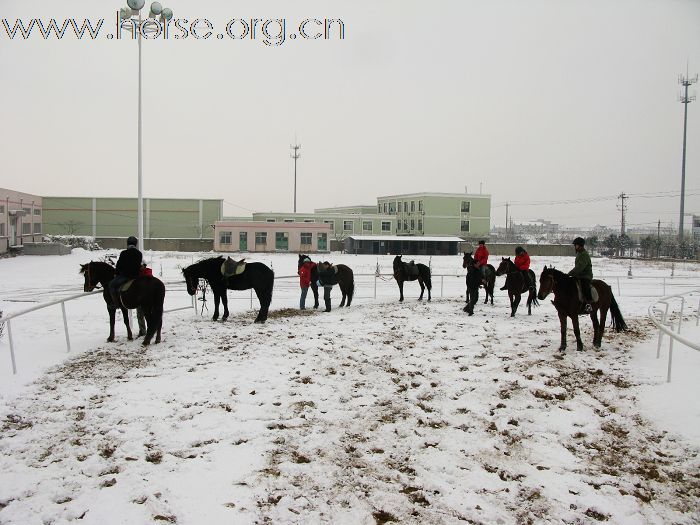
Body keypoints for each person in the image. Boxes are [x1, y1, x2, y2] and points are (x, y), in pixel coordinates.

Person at [568, 237, 593, 313]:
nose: (575, 247)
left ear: (580, 246)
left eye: (575, 245)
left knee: (584, 286)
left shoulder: (584, 255)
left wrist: (570, 273)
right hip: (578, 275)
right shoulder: (579, 254)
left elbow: (579, 267)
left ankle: (588, 304)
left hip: (585, 276)